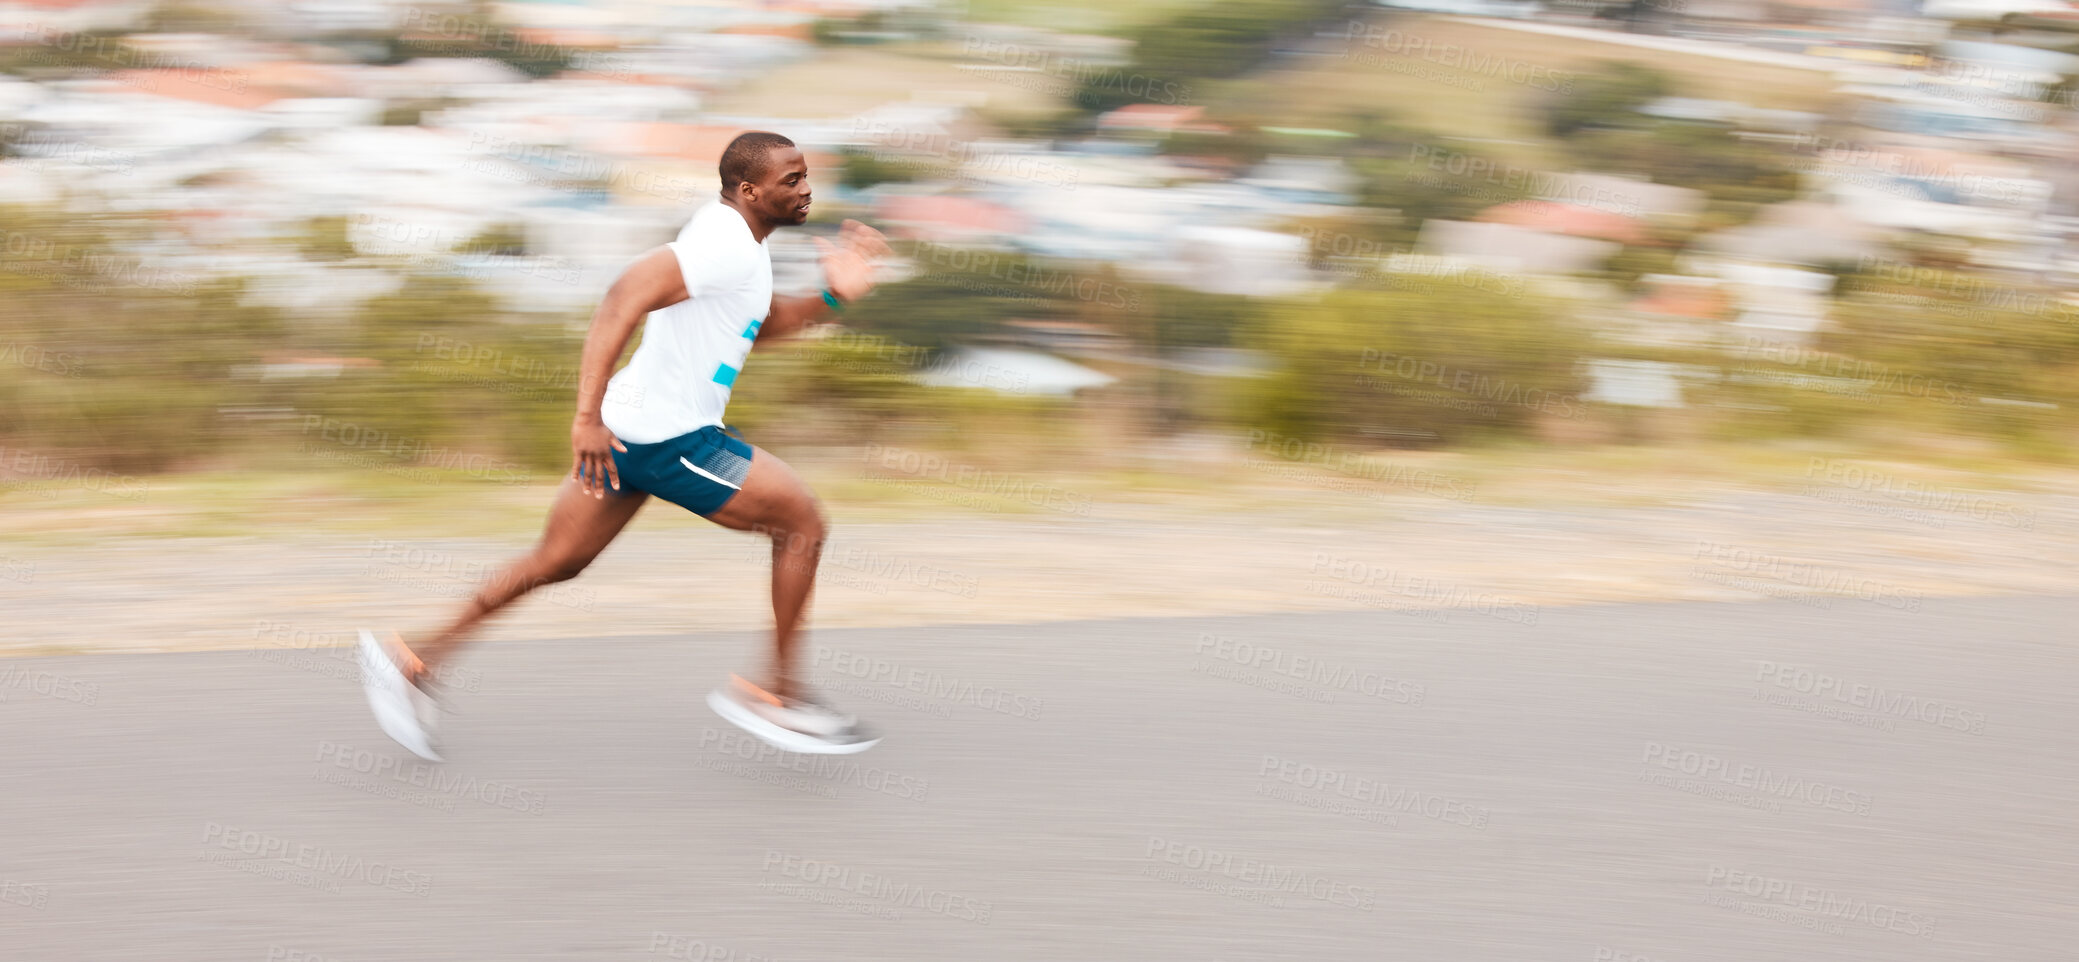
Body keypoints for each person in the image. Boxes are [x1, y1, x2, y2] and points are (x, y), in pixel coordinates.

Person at [358, 131, 893, 761]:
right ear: (750, 190)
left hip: (625, 433)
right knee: (801, 522)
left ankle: (412, 662)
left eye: (806, 176)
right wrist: (581, 418)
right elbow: (622, 298)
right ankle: (774, 693)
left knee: (555, 562)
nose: (806, 190)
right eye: (791, 180)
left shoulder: (737, 243)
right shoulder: (724, 242)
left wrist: (833, 297)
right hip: (671, 439)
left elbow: (758, 322)